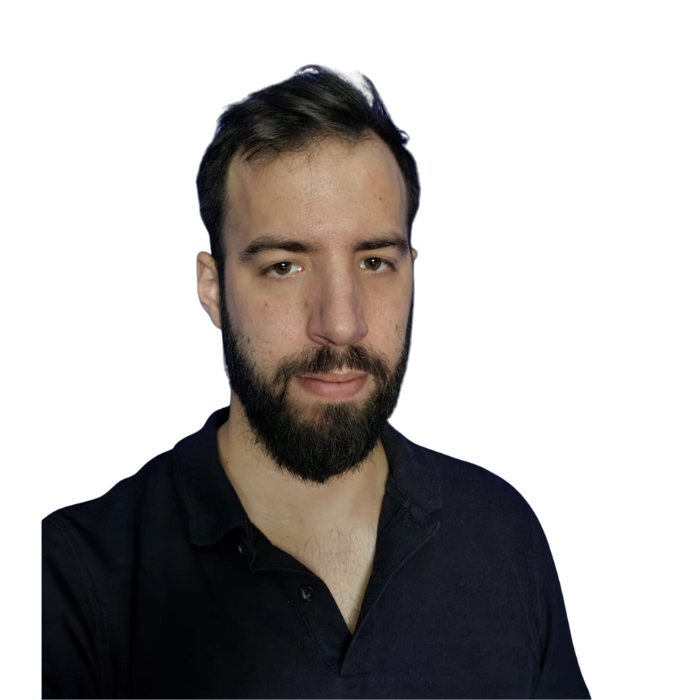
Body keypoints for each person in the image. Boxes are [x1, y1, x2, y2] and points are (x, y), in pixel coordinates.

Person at [42, 65, 590, 699]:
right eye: (284, 266)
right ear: (213, 288)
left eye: (375, 261)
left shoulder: (499, 535)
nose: (341, 323)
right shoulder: (76, 578)